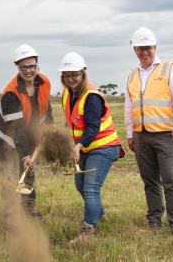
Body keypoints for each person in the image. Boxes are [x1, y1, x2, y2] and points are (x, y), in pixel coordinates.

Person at [125, 27, 173, 236]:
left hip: (165, 136)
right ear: (134, 49)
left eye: (147, 48)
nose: (144, 52)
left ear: (155, 47)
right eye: (139, 48)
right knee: (149, 181)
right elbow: (129, 106)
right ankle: (154, 220)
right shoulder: (132, 75)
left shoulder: (169, 69)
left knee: (171, 180)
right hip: (141, 136)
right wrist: (130, 134)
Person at [58, 52, 124, 244]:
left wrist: (78, 146)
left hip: (104, 146)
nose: (71, 79)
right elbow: (73, 122)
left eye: (75, 74)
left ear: (83, 72)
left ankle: (87, 232)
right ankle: (100, 216)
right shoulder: (67, 94)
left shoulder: (92, 96)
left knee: (91, 188)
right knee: (80, 185)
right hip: (86, 147)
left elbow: (93, 127)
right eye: (67, 75)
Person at [0, 44, 53, 222]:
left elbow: (46, 109)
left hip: (24, 131)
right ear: (18, 67)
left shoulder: (44, 82)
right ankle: (10, 213)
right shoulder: (12, 93)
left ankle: (28, 206)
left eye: (32, 66)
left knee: (28, 169)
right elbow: (16, 130)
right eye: (24, 67)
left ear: (37, 65)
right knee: (10, 170)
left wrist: (49, 129)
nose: (29, 71)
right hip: (2, 136)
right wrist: (25, 155)